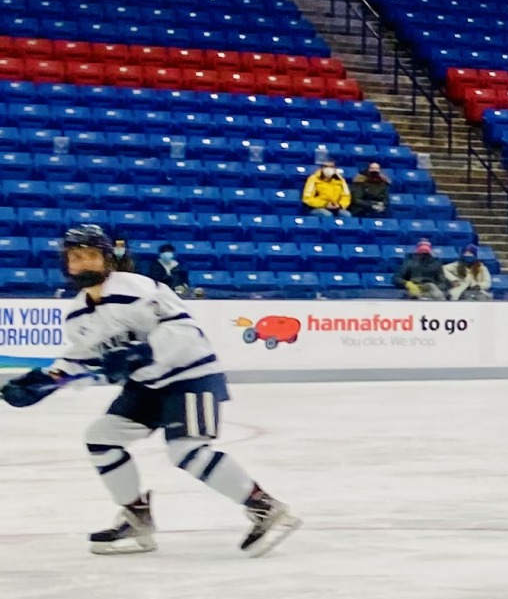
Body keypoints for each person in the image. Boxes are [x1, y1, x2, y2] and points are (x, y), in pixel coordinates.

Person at [1, 222, 298, 557]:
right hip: (147, 386)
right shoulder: (77, 315)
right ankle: (136, 517)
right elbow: (82, 355)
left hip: (190, 377)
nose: (82, 263)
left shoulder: (139, 288)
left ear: (107, 259)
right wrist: (49, 379)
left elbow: (184, 331)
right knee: (102, 438)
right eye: (75, 257)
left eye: (90, 256)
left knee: (185, 450)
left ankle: (266, 507)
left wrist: (141, 352)